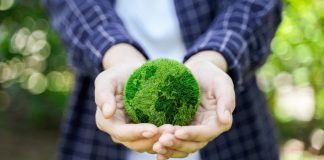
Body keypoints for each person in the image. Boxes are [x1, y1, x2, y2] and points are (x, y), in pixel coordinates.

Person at [44, 0, 282, 159]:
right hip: (108, 105)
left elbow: (255, 4)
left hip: (224, 107)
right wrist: (117, 55)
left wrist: (213, 58)